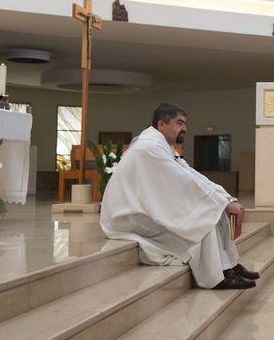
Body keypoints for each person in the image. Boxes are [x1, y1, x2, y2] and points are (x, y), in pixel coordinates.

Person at [100, 103, 260, 290]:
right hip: (127, 217)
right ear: (162, 125)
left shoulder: (161, 146)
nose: (185, 128)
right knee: (202, 218)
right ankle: (218, 276)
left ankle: (230, 265)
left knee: (212, 210)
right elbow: (183, 181)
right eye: (179, 123)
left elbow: (191, 175)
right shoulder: (149, 148)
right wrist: (221, 203)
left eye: (184, 123)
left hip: (140, 209)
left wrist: (226, 199)